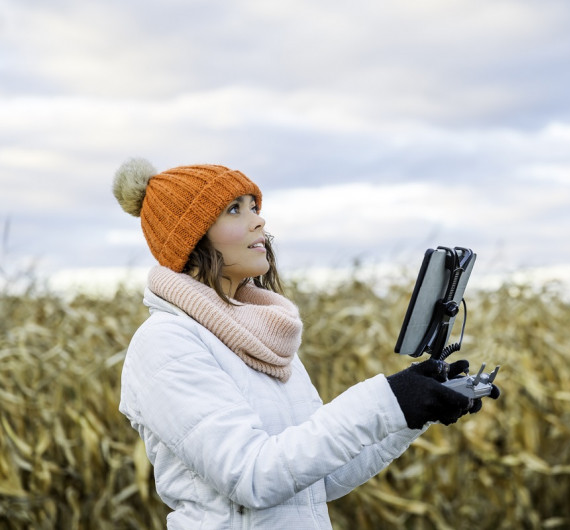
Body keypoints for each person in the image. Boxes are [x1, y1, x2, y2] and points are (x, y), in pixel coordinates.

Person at [112, 158, 500, 529]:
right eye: (234, 210)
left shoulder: (260, 336)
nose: (258, 220)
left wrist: (412, 411)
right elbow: (253, 476)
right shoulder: (166, 342)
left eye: (254, 206)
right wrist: (387, 399)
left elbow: (320, 479)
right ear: (190, 238)